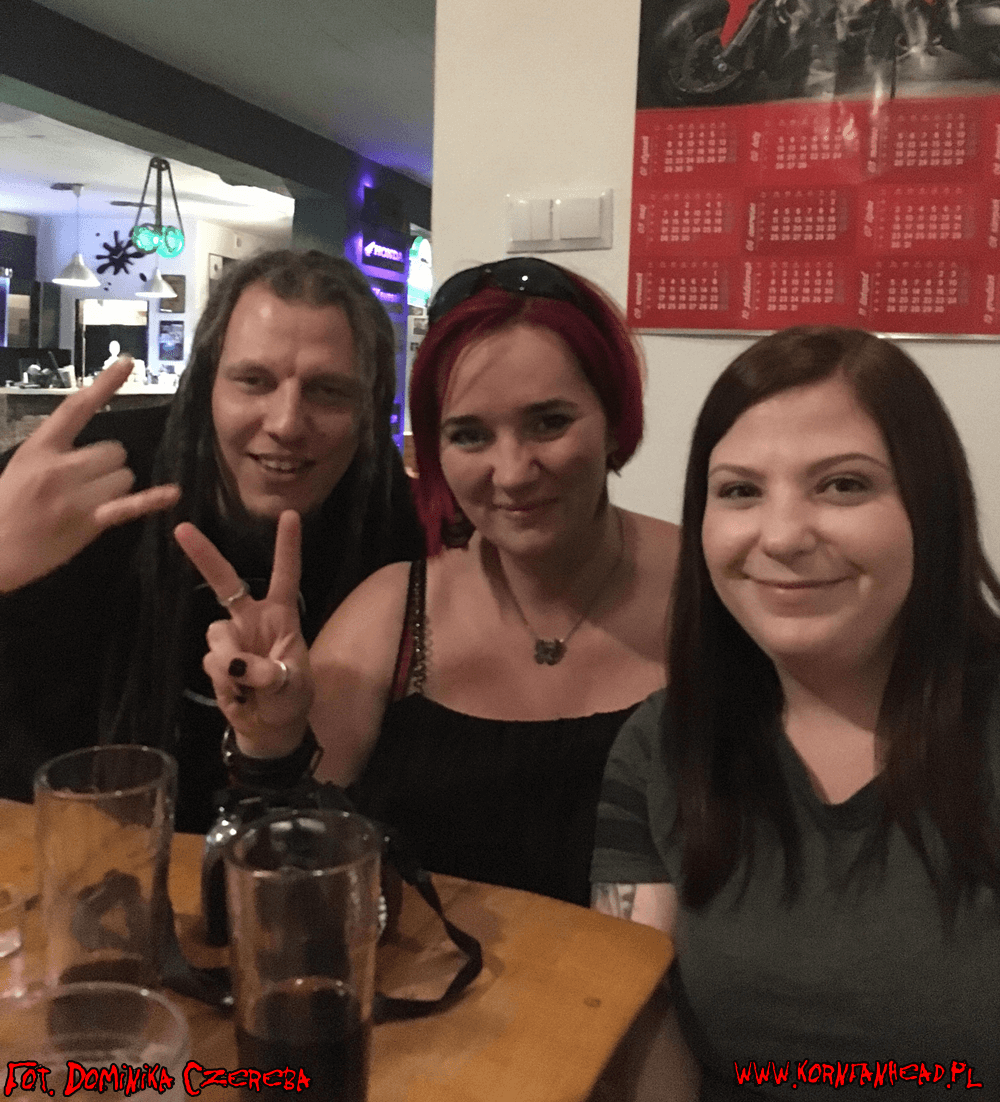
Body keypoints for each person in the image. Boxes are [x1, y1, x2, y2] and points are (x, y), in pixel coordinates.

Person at [178, 258, 680, 905]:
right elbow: (279, 887)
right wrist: (268, 745)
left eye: (550, 422)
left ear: (614, 417)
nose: (512, 471)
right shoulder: (391, 612)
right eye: (470, 435)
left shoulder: (713, 593)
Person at [590, 326, 1000, 1098]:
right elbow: (633, 1016)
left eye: (843, 484)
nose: (780, 536)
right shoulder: (663, 745)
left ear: (932, 505)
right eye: (740, 490)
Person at [0, 248, 423, 832]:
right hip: (47, 845)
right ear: (205, 385)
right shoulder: (85, 479)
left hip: (273, 857)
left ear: (370, 409)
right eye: (254, 381)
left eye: (328, 391)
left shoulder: (388, 517)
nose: (286, 423)